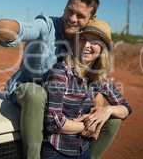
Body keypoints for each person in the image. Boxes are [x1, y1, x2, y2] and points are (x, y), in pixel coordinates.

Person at [0, 0, 122, 159]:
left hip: (62, 103)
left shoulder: (85, 41)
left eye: (80, 16)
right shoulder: (47, 26)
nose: (72, 19)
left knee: (112, 121)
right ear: (65, 7)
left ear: (91, 19)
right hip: (28, 91)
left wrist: (104, 108)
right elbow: (23, 28)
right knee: (36, 94)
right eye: (70, 11)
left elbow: (95, 78)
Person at [42, 22, 132, 159]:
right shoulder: (60, 73)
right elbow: (54, 123)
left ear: (102, 49)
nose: (86, 45)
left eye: (94, 41)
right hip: (57, 151)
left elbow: (126, 109)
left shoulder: (99, 77)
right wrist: (88, 126)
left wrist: (107, 110)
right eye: (83, 39)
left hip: (83, 150)